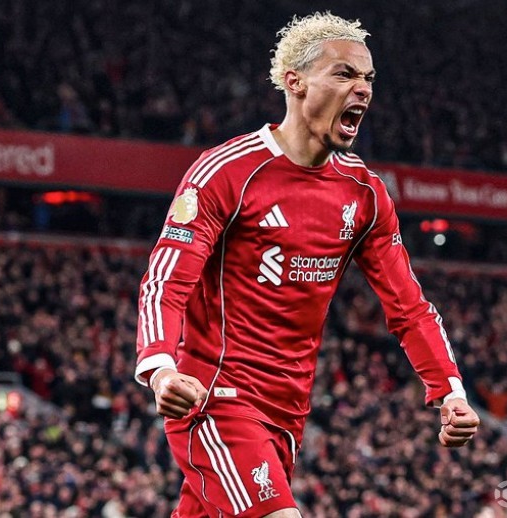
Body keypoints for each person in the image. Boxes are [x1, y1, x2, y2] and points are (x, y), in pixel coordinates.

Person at [135, 12, 480, 518]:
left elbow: (410, 308)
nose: (363, 88)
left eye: (368, 78)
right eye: (344, 73)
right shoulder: (227, 172)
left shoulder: (364, 194)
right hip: (214, 399)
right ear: (294, 82)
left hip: (288, 413)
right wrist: (160, 368)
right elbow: (166, 280)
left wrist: (449, 390)